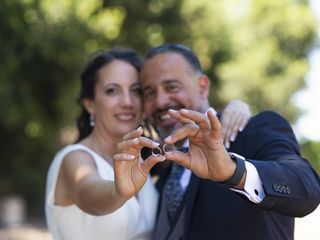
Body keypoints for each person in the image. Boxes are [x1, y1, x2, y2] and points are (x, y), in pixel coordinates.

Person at [45, 48, 251, 240]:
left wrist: (236, 108)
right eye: (112, 91)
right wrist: (118, 192)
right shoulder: (75, 159)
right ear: (90, 104)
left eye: (136, 91)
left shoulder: (147, 161)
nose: (127, 102)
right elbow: (90, 195)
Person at [128, 43, 319, 240]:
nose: (160, 101)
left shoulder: (252, 130)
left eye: (172, 87)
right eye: (150, 93)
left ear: (203, 87)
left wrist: (233, 172)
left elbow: (307, 189)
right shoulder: (161, 170)